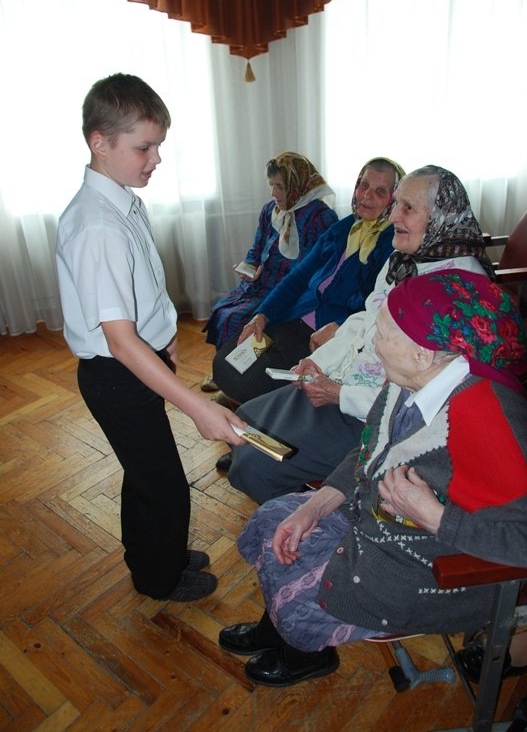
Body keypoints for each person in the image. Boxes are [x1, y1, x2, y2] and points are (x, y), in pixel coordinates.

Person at [217, 270, 527, 688]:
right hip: (379, 521)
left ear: (424, 352)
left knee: (303, 583)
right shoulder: (410, 382)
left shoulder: (493, 424)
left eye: (383, 334)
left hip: (434, 561)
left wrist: (436, 516)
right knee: (277, 519)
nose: (373, 345)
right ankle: (277, 629)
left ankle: (302, 653)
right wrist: (315, 506)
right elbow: (371, 449)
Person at [55, 73, 245, 603]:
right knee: (162, 483)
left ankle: (153, 556)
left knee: (146, 476)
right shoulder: (97, 225)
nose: (156, 158)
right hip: (118, 375)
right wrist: (198, 409)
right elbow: (118, 340)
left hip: (136, 363)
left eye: (157, 145)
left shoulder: (120, 200)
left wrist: (163, 334)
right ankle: (158, 579)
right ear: (101, 142)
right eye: (144, 146)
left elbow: (137, 292)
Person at [221, 165, 496, 501]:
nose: (394, 215)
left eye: (406, 207)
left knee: (255, 467)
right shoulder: (406, 257)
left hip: (383, 420)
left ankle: (308, 522)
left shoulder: (461, 288)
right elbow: (367, 316)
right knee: (245, 422)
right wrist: (318, 361)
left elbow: (428, 398)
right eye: (396, 204)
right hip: (350, 383)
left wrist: (341, 394)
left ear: (441, 217)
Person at [211, 157, 404, 404]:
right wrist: (262, 315)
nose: (366, 196)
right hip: (294, 317)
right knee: (226, 363)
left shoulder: (392, 244)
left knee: (249, 380)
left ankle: (267, 411)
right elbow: (297, 277)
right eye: (363, 185)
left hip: (325, 335)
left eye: (380, 192)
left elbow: (379, 306)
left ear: (394, 199)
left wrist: (341, 325)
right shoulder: (344, 228)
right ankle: (259, 403)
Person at [201, 152, 338, 391]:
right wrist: (250, 265)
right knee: (222, 311)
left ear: (298, 185)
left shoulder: (321, 217)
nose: (274, 193)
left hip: (288, 288)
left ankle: (243, 378)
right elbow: (258, 245)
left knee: (238, 318)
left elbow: (315, 268)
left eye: (280, 186)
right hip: (261, 281)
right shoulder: (270, 210)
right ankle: (228, 372)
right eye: (271, 185)